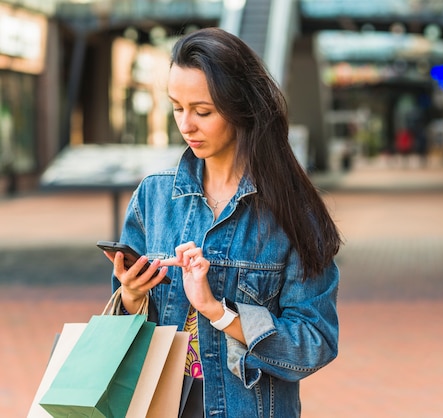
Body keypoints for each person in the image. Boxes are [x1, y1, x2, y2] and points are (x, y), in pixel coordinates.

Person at [105, 27, 342, 417]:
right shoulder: (155, 197)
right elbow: (125, 328)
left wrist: (219, 312)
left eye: (203, 111)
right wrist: (131, 296)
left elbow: (314, 342)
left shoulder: (292, 211)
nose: (186, 125)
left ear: (241, 107)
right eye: (177, 107)